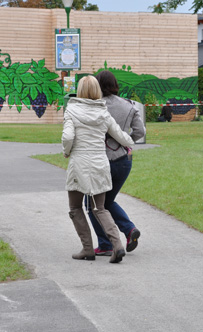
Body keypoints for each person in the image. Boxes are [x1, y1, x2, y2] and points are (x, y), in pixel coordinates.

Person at [62, 75, 135, 264]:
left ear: (79, 90)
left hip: (79, 162)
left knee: (76, 207)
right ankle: (117, 245)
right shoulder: (103, 112)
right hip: (100, 163)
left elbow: (68, 136)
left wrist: (66, 151)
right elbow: (120, 135)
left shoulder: (72, 109)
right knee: (99, 208)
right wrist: (129, 144)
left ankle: (87, 249)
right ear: (96, 91)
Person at [86, 70, 145, 257]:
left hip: (100, 159)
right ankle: (128, 230)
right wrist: (125, 141)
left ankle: (105, 244)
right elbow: (140, 131)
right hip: (123, 160)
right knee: (107, 201)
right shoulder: (129, 105)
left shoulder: (95, 106)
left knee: (94, 204)